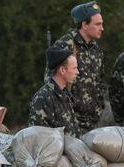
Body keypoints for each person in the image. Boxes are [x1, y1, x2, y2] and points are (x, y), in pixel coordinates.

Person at [45, 1, 106, 134]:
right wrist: (66, 113)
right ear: (84, 24)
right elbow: (51, 82)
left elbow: (100, 82)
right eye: (98, 24)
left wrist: (98, 109)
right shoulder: (65, 45)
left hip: (91, 123)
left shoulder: (96, 49)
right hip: (68, 123)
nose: (102, 28)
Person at [29, 46, 81, 137]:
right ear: (62, 70)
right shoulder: (43, 98)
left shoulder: (66, 94)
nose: (78, 72)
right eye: (74, 68)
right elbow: (38, 138)